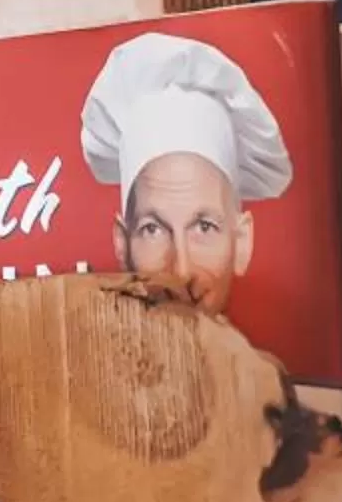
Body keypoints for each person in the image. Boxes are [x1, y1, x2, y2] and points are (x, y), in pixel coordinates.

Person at [77, 31, 292, 320]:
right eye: (152, 230)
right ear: (121, 243)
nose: (181, 270)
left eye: (204, 227)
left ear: (241, 242)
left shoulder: (267, 368)